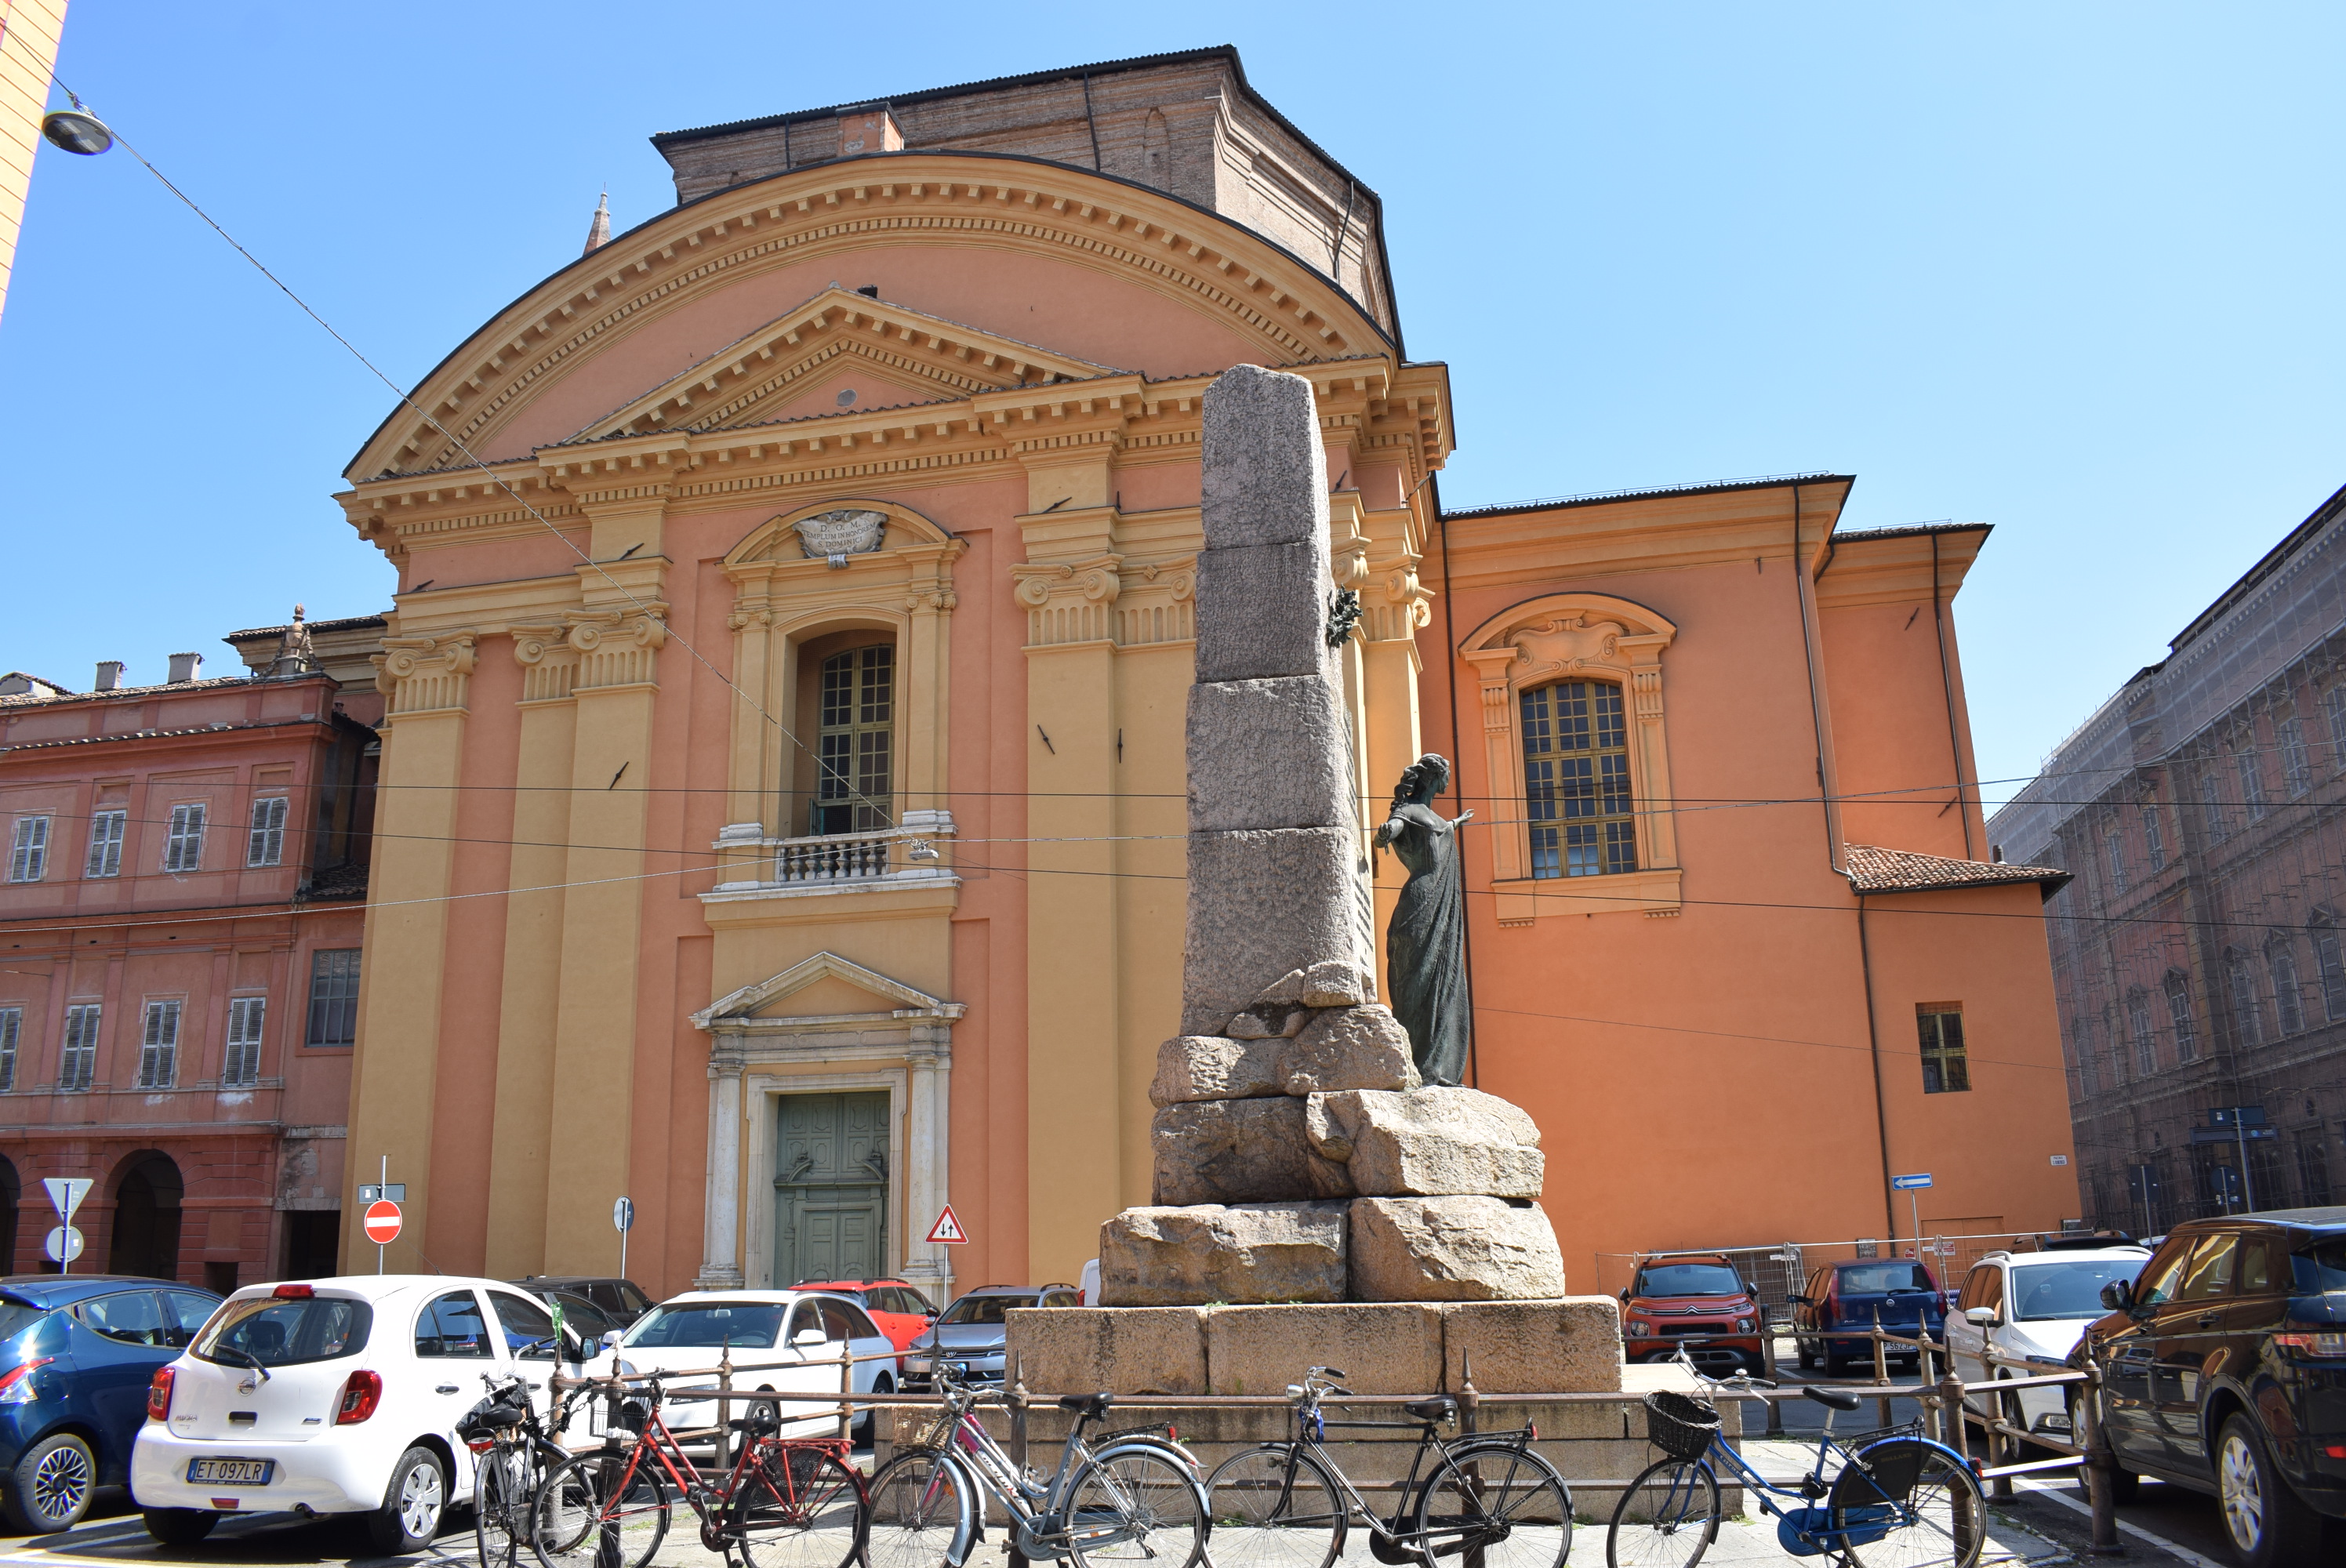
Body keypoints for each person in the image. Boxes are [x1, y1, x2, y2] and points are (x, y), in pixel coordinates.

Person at [1374, 753, 1473, 1086]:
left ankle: (1438, 1066)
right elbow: (1396, 825)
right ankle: (1418, 1062)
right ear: (1435, 777)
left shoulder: (1433, 815)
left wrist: (1457, 823)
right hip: (1421, 901)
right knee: (1417, 981)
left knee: (1442, 978)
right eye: (1446, 775)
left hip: (1441, 906)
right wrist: (1386, 833)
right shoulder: (1411, 810)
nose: (1449, 782)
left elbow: (1441, 830)